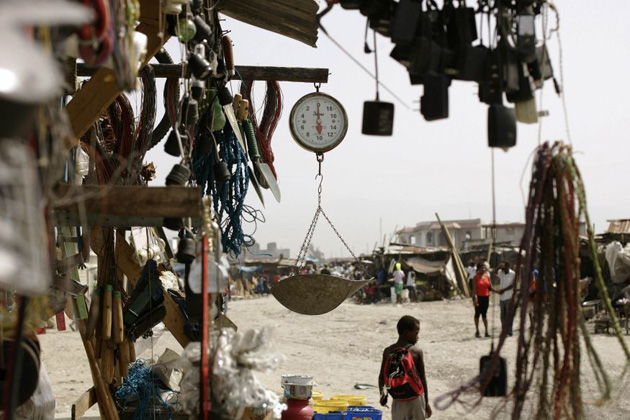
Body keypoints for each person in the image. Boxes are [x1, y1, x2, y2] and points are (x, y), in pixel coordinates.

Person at [379, 315, 431, 419]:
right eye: (416, 333)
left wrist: (383, 395)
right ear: (407, 333)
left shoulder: (388, 351)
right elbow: (422, 379)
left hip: (398, 399)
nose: (417, 337)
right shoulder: (416, 352)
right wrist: (426, 402)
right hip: (416, 398)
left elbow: (381, 377)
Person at [472, 263, 495, 338]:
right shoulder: (475, 277)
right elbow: (474, 289)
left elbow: (490, 286)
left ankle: (486, 331)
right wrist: (475, 297)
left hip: (486, 297)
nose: (484, 269)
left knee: (484, 314)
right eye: (482, 268)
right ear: (478, 269)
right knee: (477, 314)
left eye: (485, 268)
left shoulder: (487, 276)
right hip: (478, 297)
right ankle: (477, 331)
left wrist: (498, 291)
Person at [496, 261, 516, 336]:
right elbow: (495, 271)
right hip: (502, 298)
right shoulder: (501, 272)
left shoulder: (512, 273)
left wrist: (503, 290)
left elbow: (512, 285)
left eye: (504, 267)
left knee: (509, 315)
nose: (502, 269)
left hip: (509, 297)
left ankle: (509, 331)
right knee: (502, 316)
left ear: (507, 266)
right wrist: (499, 266)